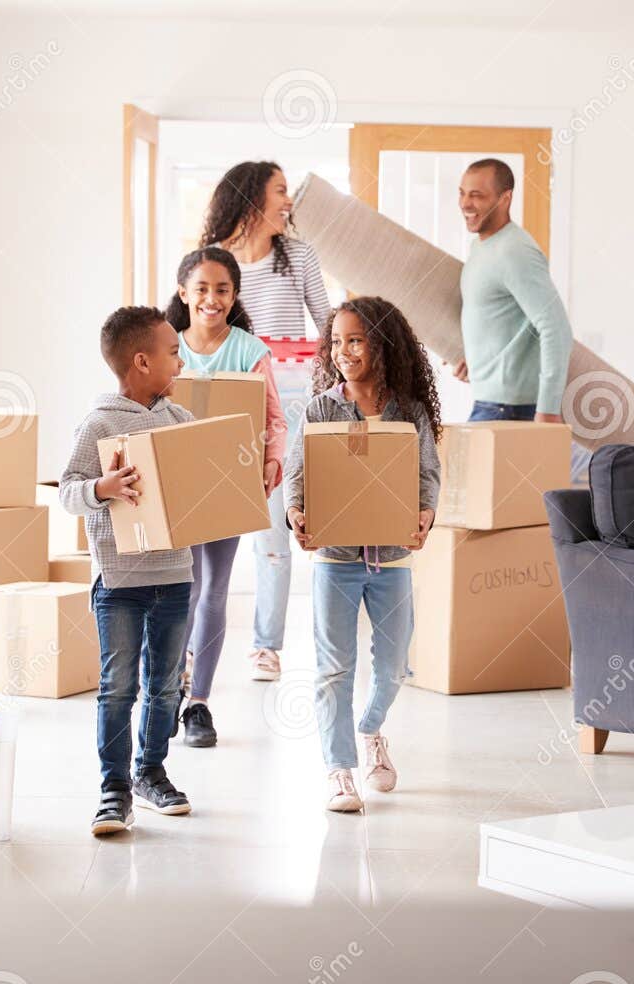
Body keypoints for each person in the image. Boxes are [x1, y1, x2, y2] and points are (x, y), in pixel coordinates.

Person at [284, 297, 441, 813]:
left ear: (382, 344)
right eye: (336, 342)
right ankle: (338, 769)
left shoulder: (409, 412)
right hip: (335, 557)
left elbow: (427, 475)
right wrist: (296, 513)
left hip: (392, 556)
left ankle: (371, 728)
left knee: (394, 667)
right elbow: (298, 474)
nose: (343, 352)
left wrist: (425, 512)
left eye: (355, 340)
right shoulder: (320, 409)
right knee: (334, 668)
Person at [60, 306, 196, 837]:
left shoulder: (179, 421)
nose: (180, 360)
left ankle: (151, 771)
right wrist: (103, 489)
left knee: (165, 686)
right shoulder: (99, 423)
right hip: (119, 583)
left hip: (175, 575)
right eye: (172, 352)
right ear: (142, 361)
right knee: (119, 686)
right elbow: (69, 490)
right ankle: (113, 788)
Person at [201, 161, 332, 684]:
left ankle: (265, 646)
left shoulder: (297, 256)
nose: (288, 201)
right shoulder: (216, 265)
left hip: (291, 403)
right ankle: (194, 645)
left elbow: (328, 328)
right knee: (209, 525)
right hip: (230, 401)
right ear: (252, 197)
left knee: (275, 528)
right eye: (280, 191)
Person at [164, 246, 287, 748]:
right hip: (177, 483)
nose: (212, 299)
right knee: (181, 590)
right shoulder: (166, 345)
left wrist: (271, 462)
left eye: (223, 290)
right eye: (202, 289)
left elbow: (274, 419)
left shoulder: (250, 351)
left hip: (229, 483)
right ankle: (169, 689)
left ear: (234, 296)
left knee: (214, 587)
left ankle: (200, 704)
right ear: (183, 293)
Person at [453, 158, 574, 429]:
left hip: (511, 410)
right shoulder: (481, 248)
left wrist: (548, 410)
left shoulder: (515, 251)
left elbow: (557, 330)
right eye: (461, 193)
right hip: (491, 402)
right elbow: (504, 320)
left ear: (505, 198)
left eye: (477, 195)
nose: (465, 204)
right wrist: (477, 361)